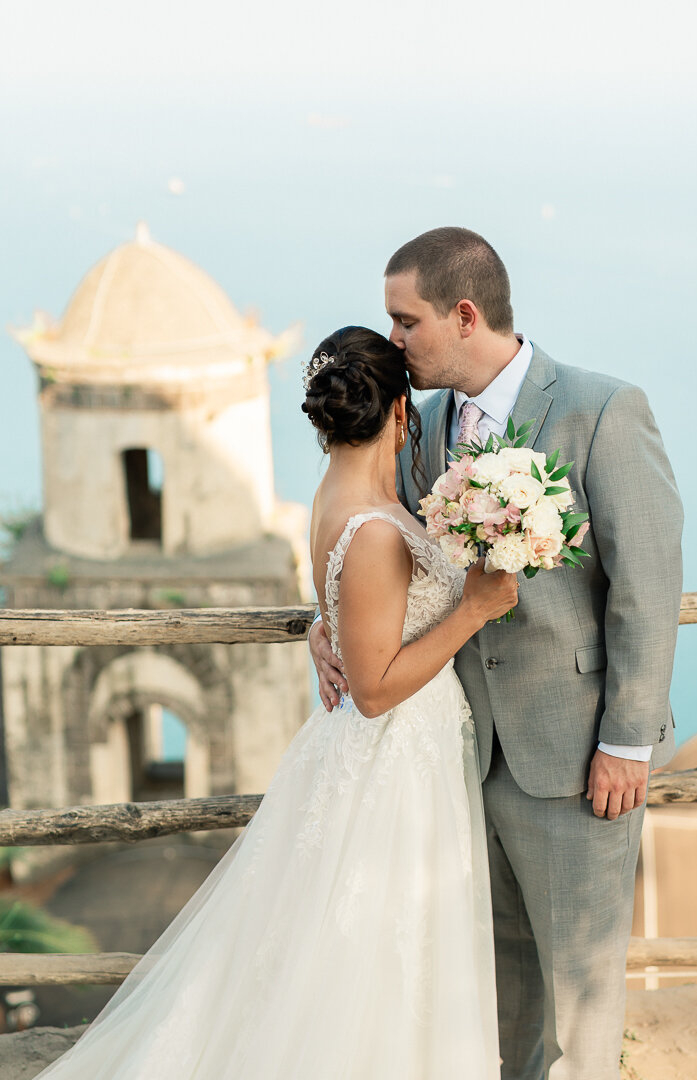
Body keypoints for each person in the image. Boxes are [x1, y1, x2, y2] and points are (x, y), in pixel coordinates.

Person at [33, 326, 517, 1079]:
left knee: (341, 946)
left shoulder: (335, 496)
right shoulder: (376, 532)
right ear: (398, 414)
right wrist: (475, 610)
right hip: (393, 758)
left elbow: (353, 608)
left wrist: (325, 627)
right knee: (378, 952)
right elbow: (376, 690)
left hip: (380, 756)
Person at [309, 228, 684, 1079]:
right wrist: (321, 624)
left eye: (405, 322)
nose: (394, 342)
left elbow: (648, 586)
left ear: (464, 314)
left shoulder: (601, 409)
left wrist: (627, 740)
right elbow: (372, 550)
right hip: (455, 763)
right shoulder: (421, 427)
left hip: (574, 759)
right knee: (496, 995)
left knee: (579, 1010)